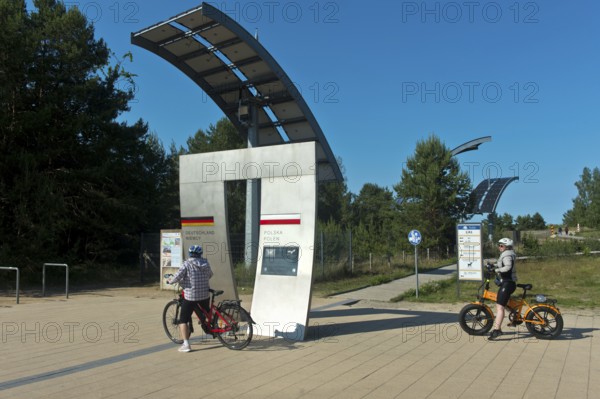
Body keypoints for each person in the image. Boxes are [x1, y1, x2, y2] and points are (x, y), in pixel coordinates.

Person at [167, 245, 213, 352]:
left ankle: (186, 345)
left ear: (190, 253)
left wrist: (170, 281)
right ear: (200, 254)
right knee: (206, 313)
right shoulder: (205, 263)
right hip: (205, 295)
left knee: (183, 320)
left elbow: (177, 277)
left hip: (191, 296)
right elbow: (210, 275)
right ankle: (208, 324)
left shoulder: (187, 264)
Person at [487, 237, 517, 340]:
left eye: (501, 245)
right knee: (503, 303)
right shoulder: (507, 254)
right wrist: (493, 265)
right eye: (499, 245)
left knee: (500, 307)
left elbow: (508, 267)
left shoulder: (507, 254)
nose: (499, 247)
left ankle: (497, 330)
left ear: (506, 247)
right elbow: (503, 264)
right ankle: (515, 316)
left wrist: (496, 270)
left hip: (508, 283)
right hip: (508, 282)